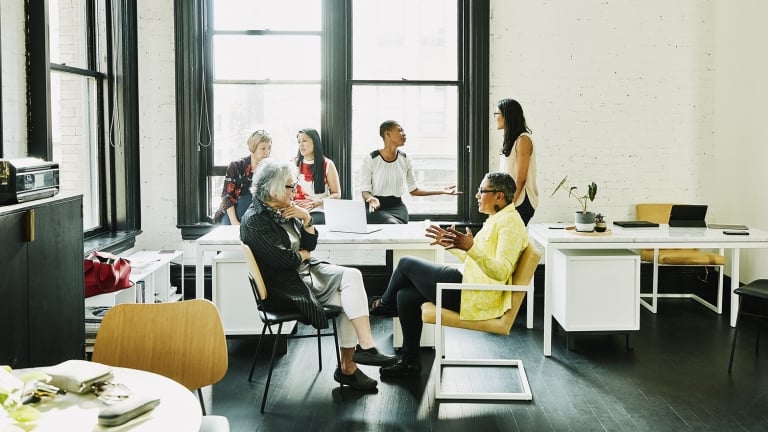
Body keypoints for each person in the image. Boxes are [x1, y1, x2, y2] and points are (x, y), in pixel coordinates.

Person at [240, 159, 397, 391]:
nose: (295, 190)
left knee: (353, 276)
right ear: (273, 188)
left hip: (305, 272)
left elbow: (309, 245)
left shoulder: (283, 210)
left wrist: (306, 218)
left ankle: (364, 348)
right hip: (286, 287)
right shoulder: (254, 220)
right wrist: (302, 254)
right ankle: (349, 368)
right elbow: (285, 260)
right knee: (350, 299)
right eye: (290, 186)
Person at [370, 172, 528, 379]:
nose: (477, 196)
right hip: (468, 284)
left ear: (499, 196)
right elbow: (476, 260)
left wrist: (471, 247)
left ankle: (383, 305)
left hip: (474, 295)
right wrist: (453, 245)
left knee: (405, 263)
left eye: (482, 191)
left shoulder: (510, 224)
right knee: (405, 296)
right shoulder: (499, 218)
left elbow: (501, 272)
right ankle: (410, 362)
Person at [359, 120, 460, 224]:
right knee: (391, 225)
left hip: (397, 208)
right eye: (400, 130)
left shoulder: (405, 159)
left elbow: (414, 190)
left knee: (396, 228)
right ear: (387, 134)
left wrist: (441, 191)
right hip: (375, 207)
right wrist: (370, 198)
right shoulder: (371, 159)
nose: (404, 134)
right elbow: (365, 191)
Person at [213, 129, 273, 225]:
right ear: (253, 148)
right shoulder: (236, 166)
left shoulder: (270, 169)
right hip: (233, 213)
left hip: (257, 215)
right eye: (263, 148)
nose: (267, 152)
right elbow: (227, 197)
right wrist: (234, 222)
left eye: (269, 148)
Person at [496, 98, 538, 225]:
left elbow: (521, 179)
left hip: (521, 201)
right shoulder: (513, 141)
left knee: (513, 241)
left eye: (497, 114)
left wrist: (510, 204)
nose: (495, 118)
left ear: (506, 116)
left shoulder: (523, 140)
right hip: (512, 200)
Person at [292, 128, 341, 225]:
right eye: (299, 142)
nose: (301, 145)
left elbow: (337, 194)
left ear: (315, 142)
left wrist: (319, 202)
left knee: (312, 223)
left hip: (317, 210)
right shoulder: (293, 163)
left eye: (304, 141)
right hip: (296, 209)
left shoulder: (327, 164)